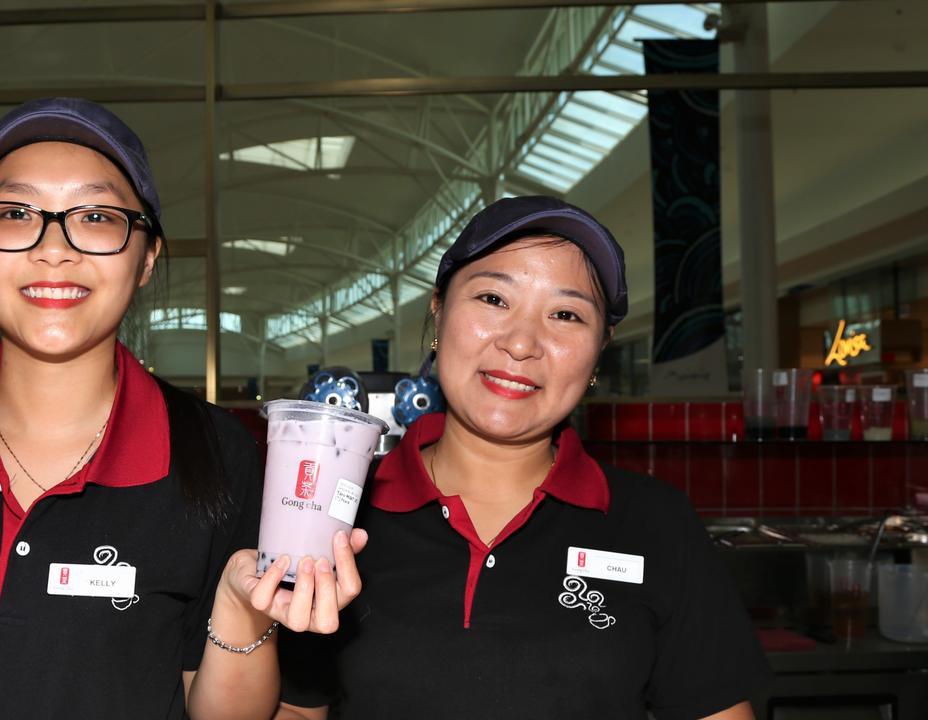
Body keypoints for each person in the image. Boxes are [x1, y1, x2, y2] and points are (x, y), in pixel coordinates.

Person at [0, 97, 363, 720]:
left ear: (146, 260)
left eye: (94, 215)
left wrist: (240, 610)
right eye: (13, 213)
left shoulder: (214, 453)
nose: (53, 248)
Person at [278, 196, 769, 719]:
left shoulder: (655, 523)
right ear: (438, 311)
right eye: (493, 298)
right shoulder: (336, 513)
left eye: (565, 314)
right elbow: (298, 710)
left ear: (600, 349)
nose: (521, 343)